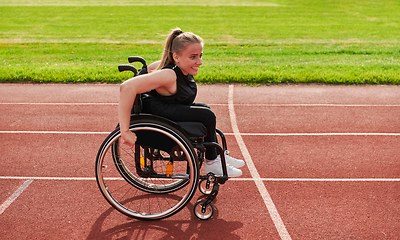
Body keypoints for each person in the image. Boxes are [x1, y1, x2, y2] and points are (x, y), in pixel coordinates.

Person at [118, 28, 245, 177]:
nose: (200, 62)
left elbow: (154, 67)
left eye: (200, 56)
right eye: (193, 57)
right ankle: (212, 163)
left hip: (167, 107)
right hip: (158, 111)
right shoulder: (169, 75)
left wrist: (148, 71)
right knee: (207, 115)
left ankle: (216, 156)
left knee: (205, 108)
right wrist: (125, 131)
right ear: (176, 57)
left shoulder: (179, 67)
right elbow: (126, 87)